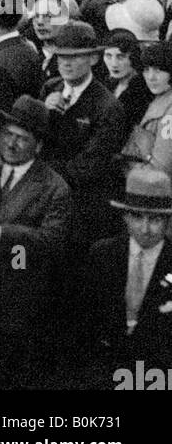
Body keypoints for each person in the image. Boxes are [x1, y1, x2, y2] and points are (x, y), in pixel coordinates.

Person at [0, 95, 73, 387]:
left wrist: (2, 235)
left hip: (18, 298)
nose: (11, 144)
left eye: (22, 138)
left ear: (39, 145)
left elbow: (51, 242)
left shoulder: (55, 188)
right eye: (7, 134)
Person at [72, 166, 172, 383]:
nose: (145, 229)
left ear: (168, 221)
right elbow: (83, 321)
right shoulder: (102, 254)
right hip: (101, 371)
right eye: (137, 217)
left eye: (155, 219)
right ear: (125, 217)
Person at [42, 20, 127, 245]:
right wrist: (44, 112)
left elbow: (89, 167)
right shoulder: (51, 88)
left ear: (93, 58)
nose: (66, 64)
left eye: (75, 56)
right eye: (61, 56)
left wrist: (40, 173)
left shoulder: (107, 106)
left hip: (82, 208)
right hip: (46, 202)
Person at [121, 42, 172, 180]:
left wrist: (145, 154)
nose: (151, 77)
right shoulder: (156, 98)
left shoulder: (169, 110)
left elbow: (162, 169)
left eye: (158, 70)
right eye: (146, 69)